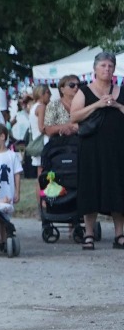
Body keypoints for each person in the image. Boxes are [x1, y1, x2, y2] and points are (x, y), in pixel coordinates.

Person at [69, 51, 123, 249]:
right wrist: (98, 105)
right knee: (90, 187)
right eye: (103, 66)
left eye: (110, 66)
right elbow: (74, 117)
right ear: (95, 69)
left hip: (117, 147)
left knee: (117, 188)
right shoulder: (85, 91)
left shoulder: (120, 90)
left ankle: (119, 234)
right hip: (90, 147)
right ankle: (89, 234)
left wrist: (117, 105)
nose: (106, 69)